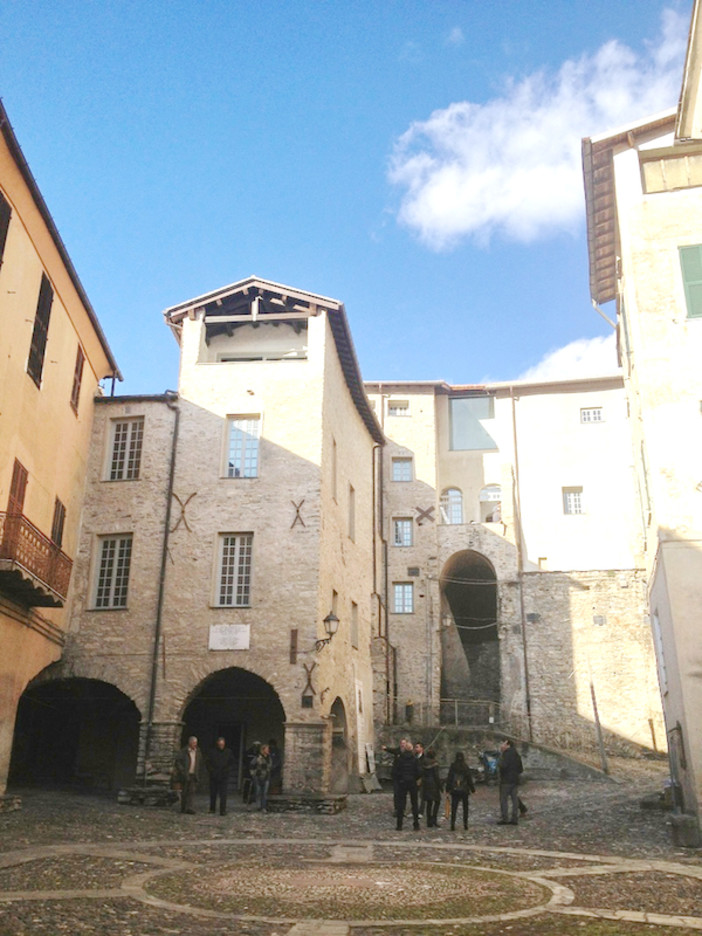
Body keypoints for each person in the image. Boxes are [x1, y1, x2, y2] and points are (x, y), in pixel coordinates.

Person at [446, 751, 475, 830]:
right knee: (465, 808)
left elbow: (449, 778)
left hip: (455, 790)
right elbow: (469, 778)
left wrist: (447, 789)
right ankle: (465, 824)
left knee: (454, 807)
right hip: (464, 789)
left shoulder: (453, 766)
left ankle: (452, 824)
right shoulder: (465, 766)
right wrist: (472, 789)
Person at [395, 740, 421, 830]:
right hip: (412, 782)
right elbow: (419, 772)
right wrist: (415, 778)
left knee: (401, 804)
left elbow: (395, 771)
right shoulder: (415, 759)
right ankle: (416, 824)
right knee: (414, 803)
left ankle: (399, 825)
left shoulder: (400, 759)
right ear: (412, 749)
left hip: (402, 782)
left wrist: (399, 779)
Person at [497, 738, 524, 825]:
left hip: (506, 780)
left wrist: (499, 762)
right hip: (515, 780)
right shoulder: (516, 754)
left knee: (503, 799)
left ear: (508, 745)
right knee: (514, 799)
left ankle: (505, 818)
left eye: (503, 744)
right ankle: (514, 818)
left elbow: (503, 766)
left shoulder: (506, 755)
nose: (502, 746)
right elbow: (521, 769)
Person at [206, 736, 235, 816]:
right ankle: (212, 808)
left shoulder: (228, 752)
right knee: (213, 793)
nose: (221, 745)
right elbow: (208, 762)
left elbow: (231, 762)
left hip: (224, 775)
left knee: (223, 794)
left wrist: (227, 770)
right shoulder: (212, 752)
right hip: (214, 775)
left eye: (222, 744)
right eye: (220, 744)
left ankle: (223, 810)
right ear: (217, 743)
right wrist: (211, 771)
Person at [174, 736, 203, 814]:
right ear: (190, 743)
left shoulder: (198, 752)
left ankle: (190, 807)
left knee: (192, 791)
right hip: (185, 774)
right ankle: (184, 807)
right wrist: (182, 771)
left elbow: (199, 762)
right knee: (185, 792)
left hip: (193, 774)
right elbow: (178, 762)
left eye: (196, 743)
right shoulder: (184, 751)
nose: (195, 744)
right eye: (193, 743)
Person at [382, 738, 409, 818]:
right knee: (396, 793)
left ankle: (403, 809)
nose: (402, 744)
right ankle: (397, 809)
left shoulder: (408, 753)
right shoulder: (397, 751)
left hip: (404, 776)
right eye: (401, 743)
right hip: (396, 776)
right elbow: (391, 750)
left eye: (404, 743)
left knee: (403, 794)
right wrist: (385, 748)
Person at [421, 747, 442, 827]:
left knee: (429, 803)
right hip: (433, 784)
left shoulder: (424, 762)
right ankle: (434, 819)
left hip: (426, 783)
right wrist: (440, 786)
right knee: (437, 801)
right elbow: (436, 776)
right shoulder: (435, 763)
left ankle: (429, 821)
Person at [251, 742, 272, 811]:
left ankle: (263, 807)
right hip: (258, 776)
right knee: (257, 792)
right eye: (266, 749)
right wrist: (253, 774)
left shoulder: (269, 758)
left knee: (264, 793)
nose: (268, 750)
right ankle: (256, 805)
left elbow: (270, 766)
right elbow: (252, 765)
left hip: (266, 777)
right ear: (263, 750)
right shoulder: (258, 757)